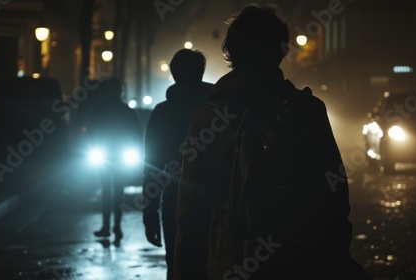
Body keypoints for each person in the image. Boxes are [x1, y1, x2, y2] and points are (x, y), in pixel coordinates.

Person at [174, 3, 372, 280]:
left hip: (231, 263)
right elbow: (334, 197)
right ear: (281, 52)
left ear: (231, 53)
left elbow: (191, 213)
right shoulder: (308, 110)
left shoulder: (208, 118)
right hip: (300, 264)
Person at [142, 49, 214, 280]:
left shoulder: (162, 113)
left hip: (175, 200)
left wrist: (150, 213)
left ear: (173, 75)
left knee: (178, 266)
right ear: (200, 73)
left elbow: (152, 166)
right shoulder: (218, 110)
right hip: (216, 201)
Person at [87, 76, 143, 245]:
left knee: (107, 191)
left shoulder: (101, 110)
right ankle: (116, 227)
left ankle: (108, 227)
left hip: (106, 154)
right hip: (118, 155)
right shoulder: (126, 110)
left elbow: (91, 131)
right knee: (118, 192)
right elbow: (137, 133)